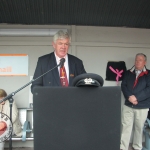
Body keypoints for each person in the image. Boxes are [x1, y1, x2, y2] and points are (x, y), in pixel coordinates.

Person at [120, 53, 150, 150]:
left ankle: (137, 147)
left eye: (140, 60)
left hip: (142, 106)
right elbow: (123, 86)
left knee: (139, 128)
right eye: (136, 60)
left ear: (145, 62)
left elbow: (148, 89)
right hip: (128, 105)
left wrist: (136, 98)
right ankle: (123, 147)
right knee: (126, 127)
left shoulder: (148, 74)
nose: (137, 62)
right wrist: (129, 97)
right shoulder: (128, 72)